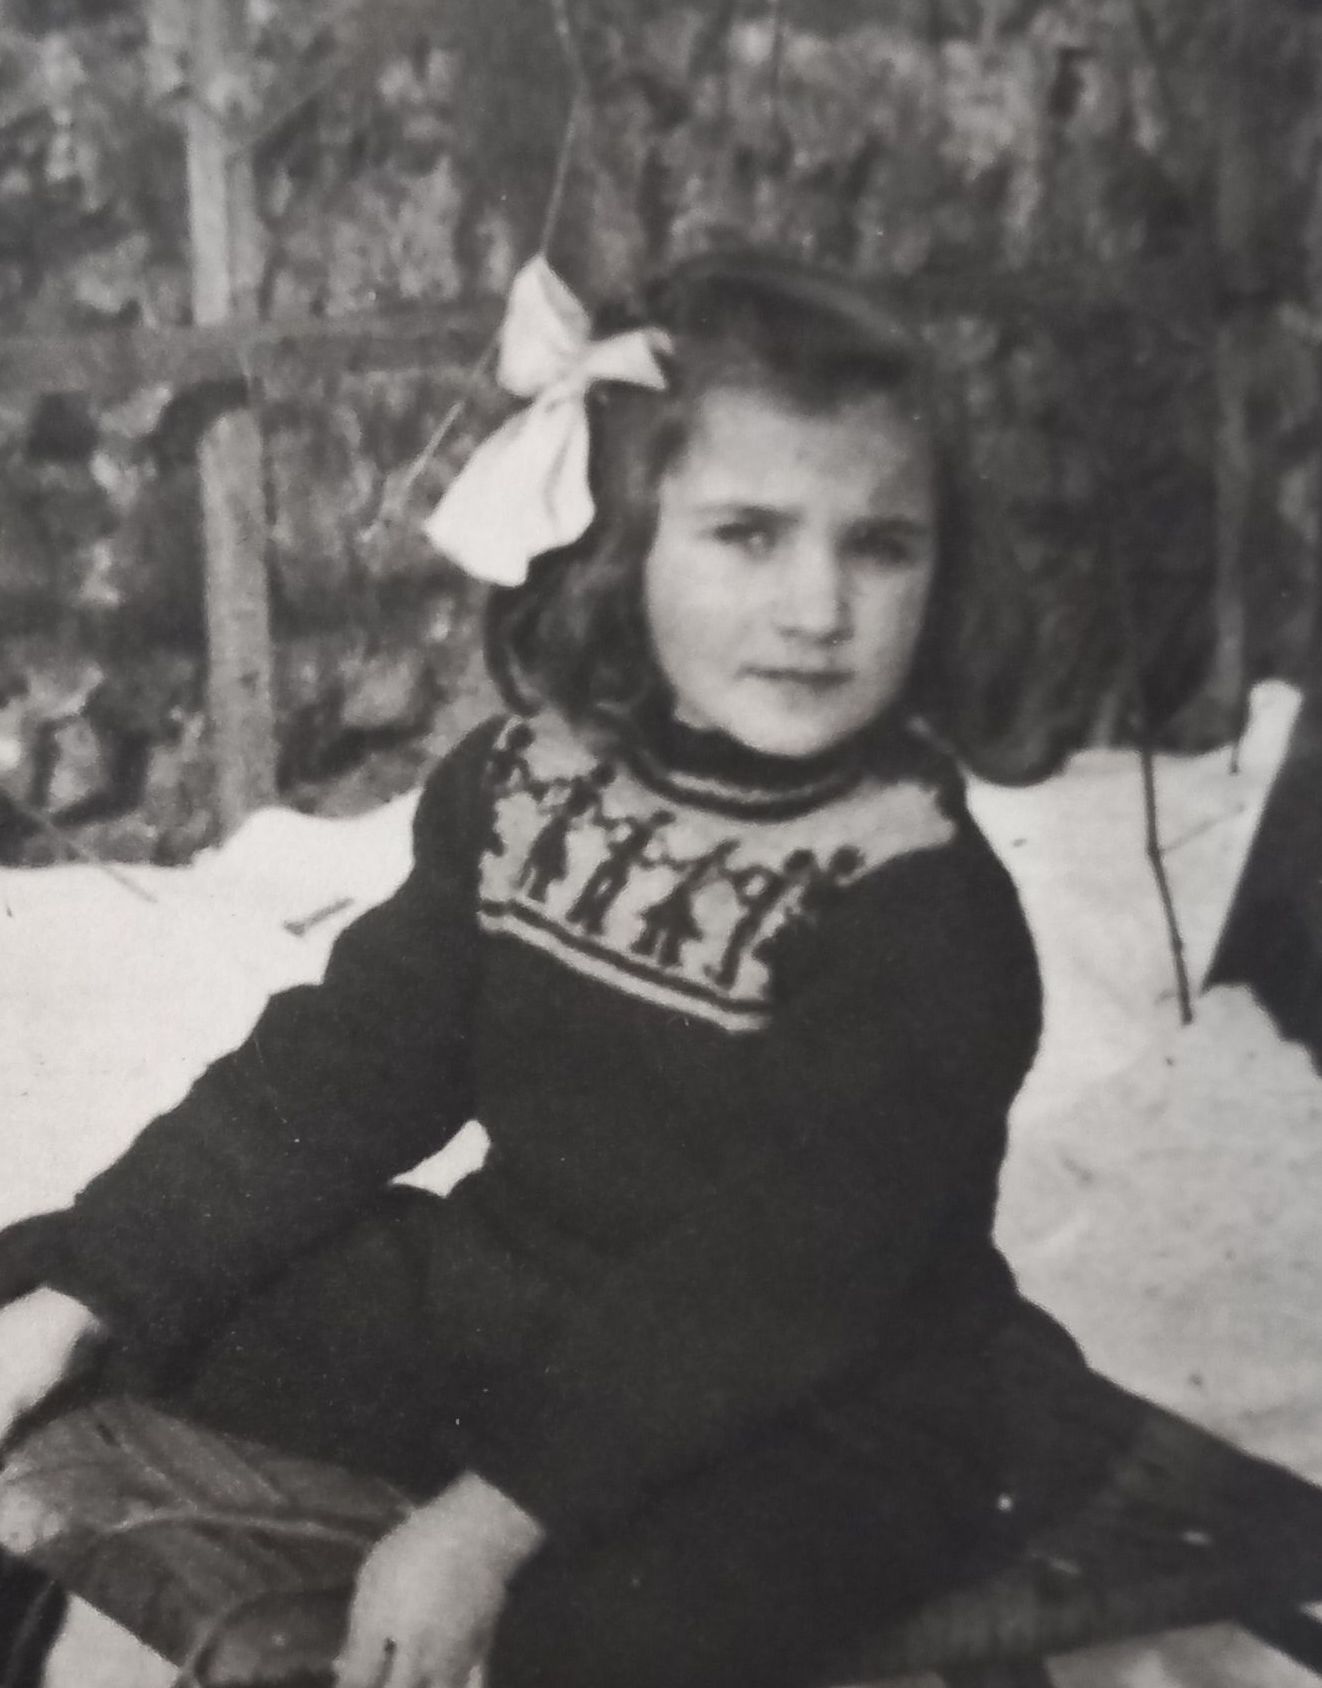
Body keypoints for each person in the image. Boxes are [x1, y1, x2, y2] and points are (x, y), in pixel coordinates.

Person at [0, 250, 1085, 1688]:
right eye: (749, 535)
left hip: (831, 1403)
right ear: (621, 540)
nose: (818, 605)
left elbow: (769, 1288)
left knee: (601, 1628)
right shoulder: (528, 790)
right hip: (521, 1319)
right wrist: (92, 1297)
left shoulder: (914, 904)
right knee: (57, 1297)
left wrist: (487, 1523)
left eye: (880, 545)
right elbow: (340, 1073)